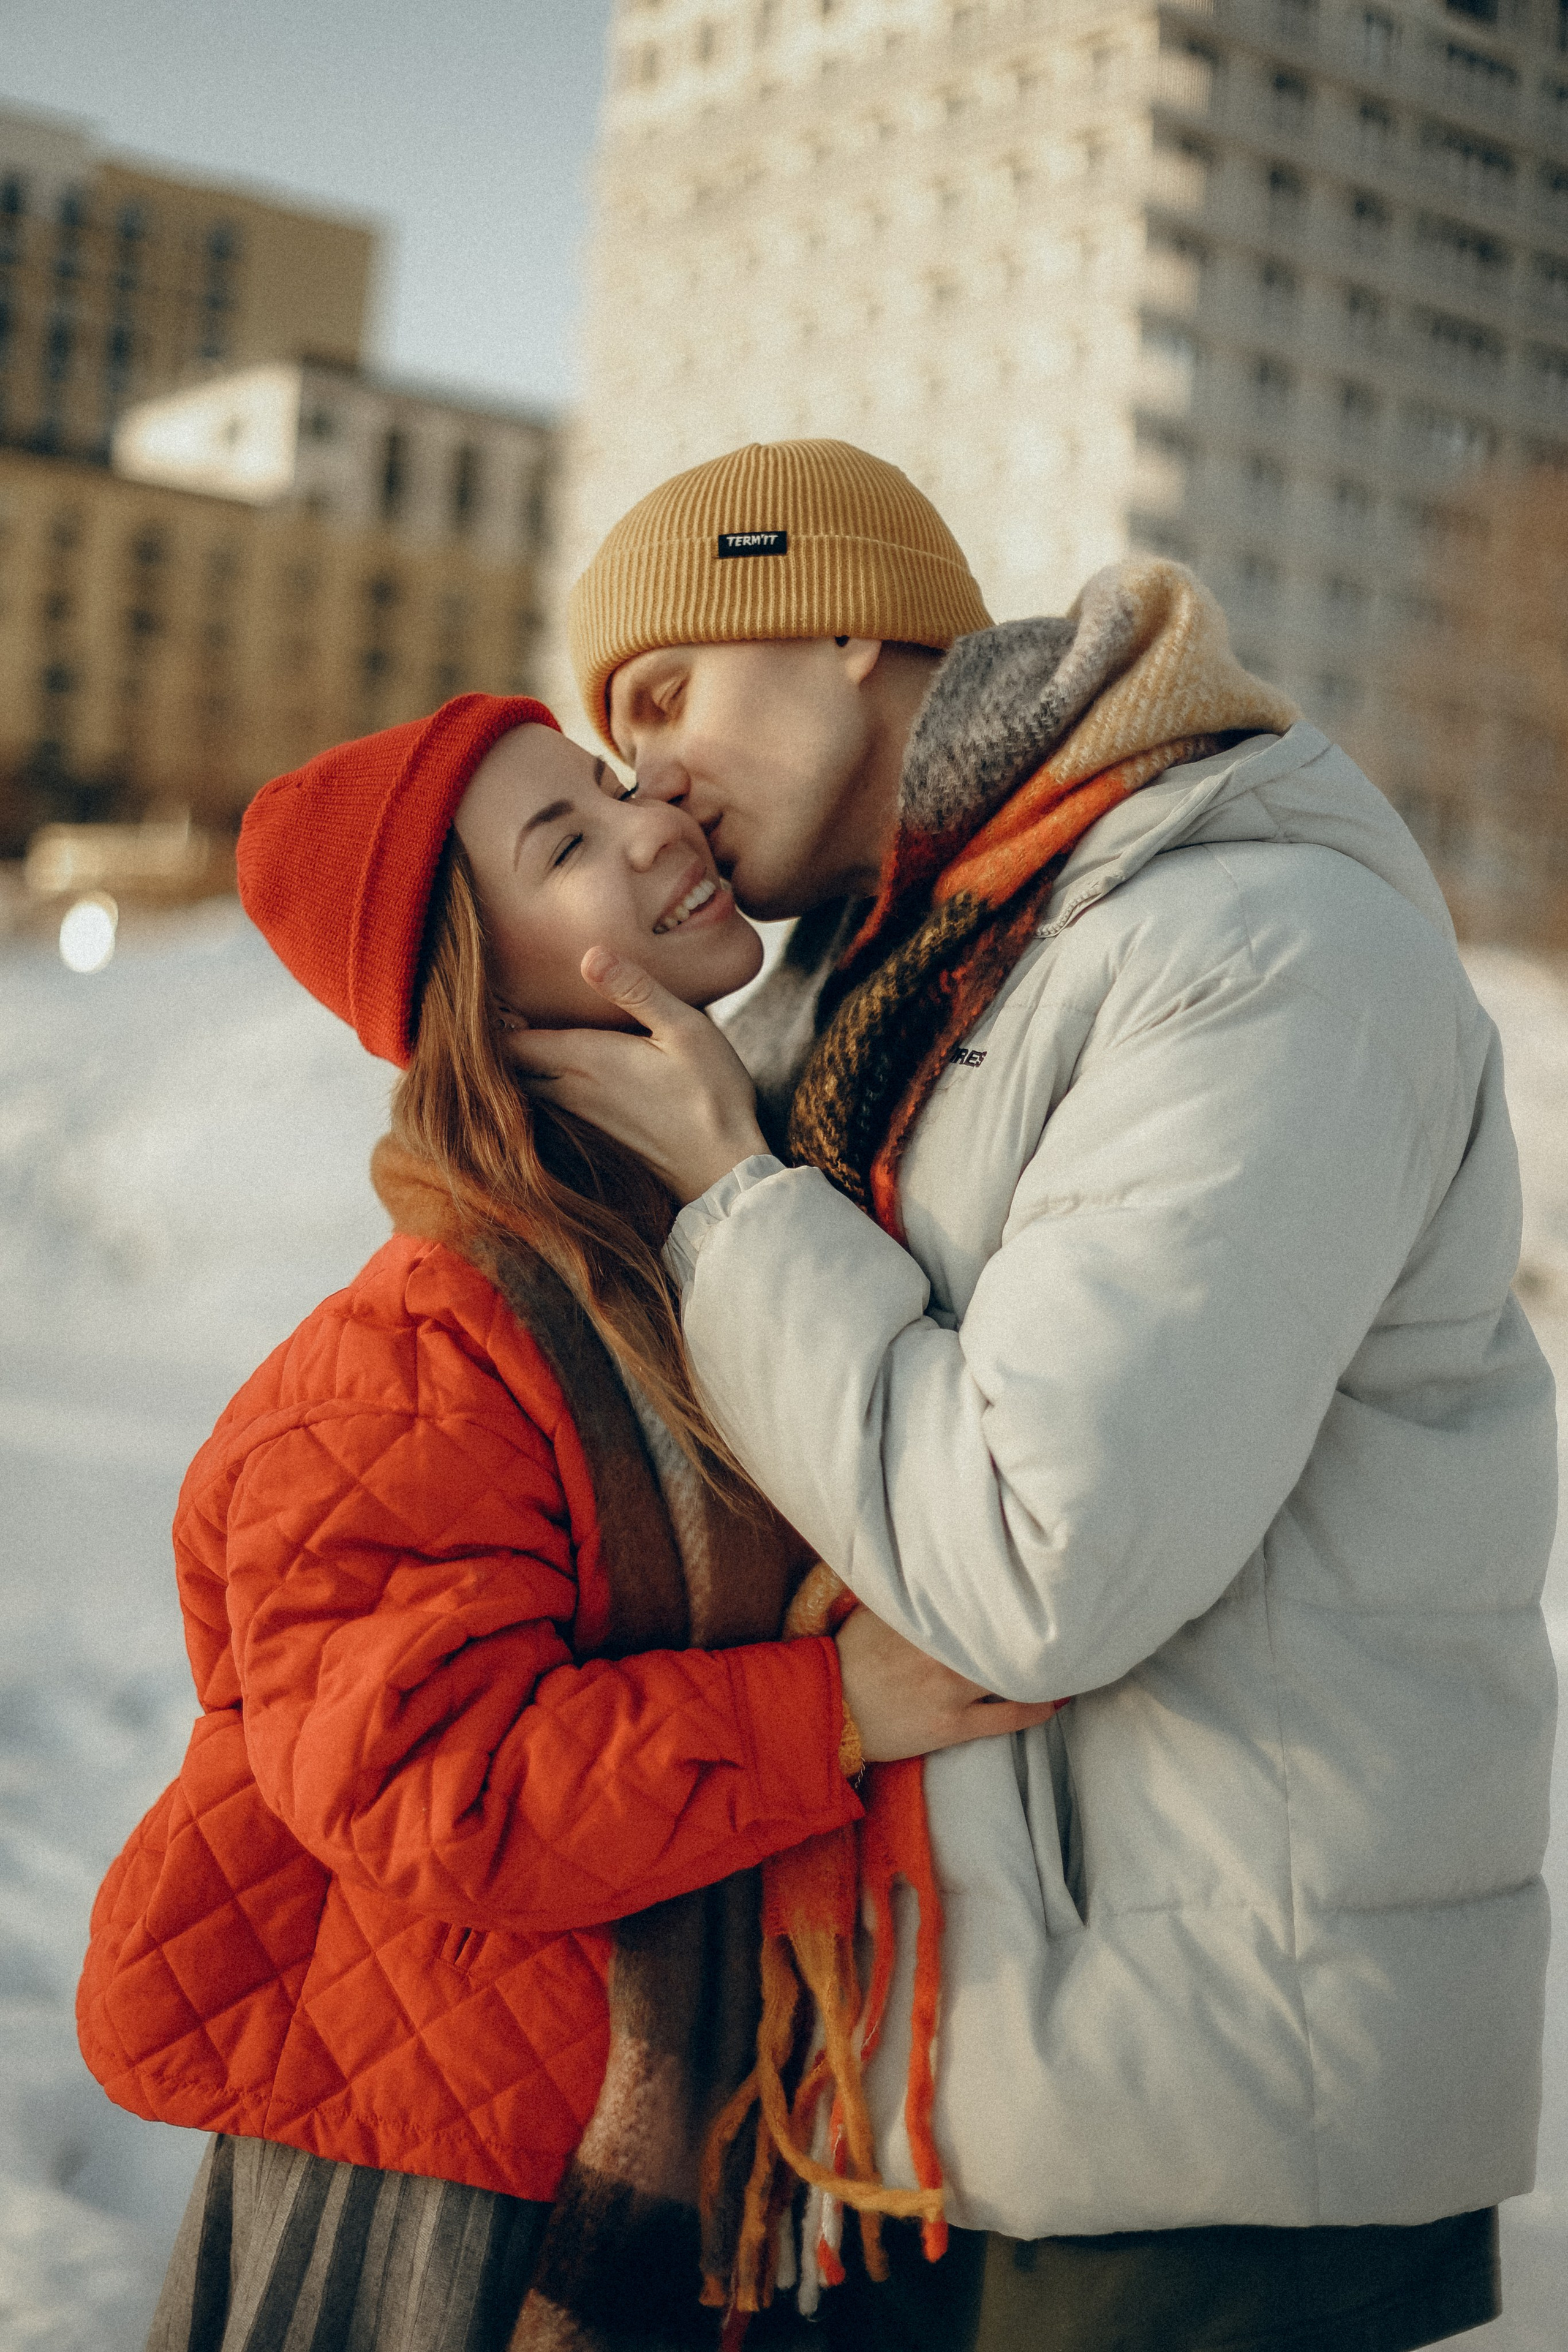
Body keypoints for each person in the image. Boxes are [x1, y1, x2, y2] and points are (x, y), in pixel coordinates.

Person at [505, 438, 1559, 2352]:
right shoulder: (910, 988)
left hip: (1207, 2139)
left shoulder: (1254, 947)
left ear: (843, 621)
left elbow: (1035, 1557)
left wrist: (734, 1195)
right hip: (924, 2106)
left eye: (663, 694)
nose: (643, 775)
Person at [76, 693, 1056, 2352]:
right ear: (477, 979)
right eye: (568, 842)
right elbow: (430, 1783)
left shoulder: (692, 1244)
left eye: (612, 788)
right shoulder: (422, 1351)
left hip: (647, 2151)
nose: (655, 824)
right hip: (432, 2192)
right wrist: (828, 1713)